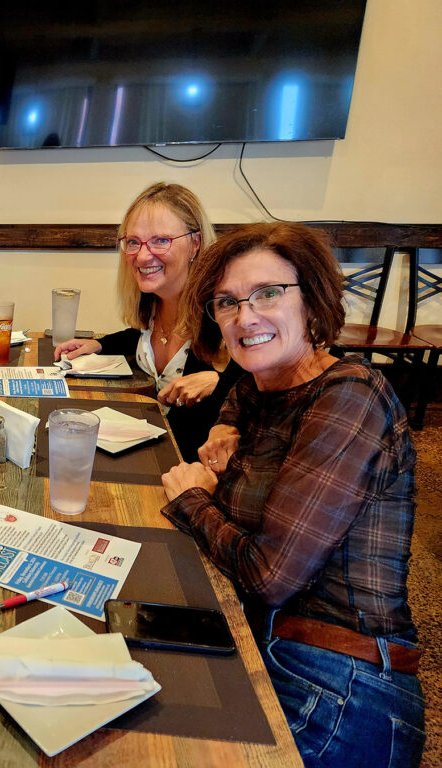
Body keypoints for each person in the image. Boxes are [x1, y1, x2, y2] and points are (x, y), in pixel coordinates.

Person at [161, 222, 424, 767]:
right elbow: (242, 389)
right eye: (227, 302)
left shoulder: (351, 396)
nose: (245, 316)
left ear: (313, 301)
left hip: (340, 686)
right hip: (263, 643)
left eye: (268, 294)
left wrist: (194, 501)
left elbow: (270, 576)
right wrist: (222, 426)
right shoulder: (268, 381)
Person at [54, 182, 242, 462]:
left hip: (192, 478)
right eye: (133, 242)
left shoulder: (225, 311)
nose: (142, 255)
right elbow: (140, 337)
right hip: (146, 458)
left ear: (195, 243)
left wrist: (220, 381)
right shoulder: (152, 302)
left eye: (160, 240)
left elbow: (267, 386)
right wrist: (99, 343)